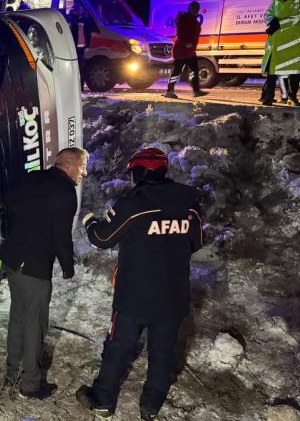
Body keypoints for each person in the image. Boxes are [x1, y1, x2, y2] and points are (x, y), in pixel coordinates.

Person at [76, 147, 203, 420]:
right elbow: (196, 242)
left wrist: (89, 222)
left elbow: (101, 238)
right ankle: (150, 407)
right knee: (163, 352)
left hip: (134, 294)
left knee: (118, 347)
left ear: (137, 173)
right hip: (173, 294)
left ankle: (103, 400)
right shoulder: (189, 201)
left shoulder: (132, 204)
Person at [0, 147, 88, 400]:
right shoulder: (65, 191)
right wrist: (67, 266)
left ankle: (11, 373)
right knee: (35, 324)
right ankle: (30, 385)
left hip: (13, 258)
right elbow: (61, 234)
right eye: (82, 166)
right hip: (33, 265)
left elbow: (9, 203)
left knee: (18, 317)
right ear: (68, 165)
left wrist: (24, 228)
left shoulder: (33, 177)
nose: (84, 172)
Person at [164, 1, 208, 99]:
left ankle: (196, 90)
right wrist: (185, 43)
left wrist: (192, 47)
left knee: (194, 71)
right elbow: (179, 34)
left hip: (190, 52)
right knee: (176, 72)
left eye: (197, 8)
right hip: (181, 51)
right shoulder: (184, 19)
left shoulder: (195, 22)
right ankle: (169, 91)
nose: (196, 10)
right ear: (190, 8)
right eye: (194, 8)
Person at [68, 4, 94, 91]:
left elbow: (88, 33)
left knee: (81, 68)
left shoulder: (85, 20)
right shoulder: (73, 19)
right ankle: (74, 86)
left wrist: (88, 45)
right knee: (74, 67)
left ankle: (81, 86)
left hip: (82, 47)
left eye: (80, 9)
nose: (79, 11)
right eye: (77, 9)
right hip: (74, 47)